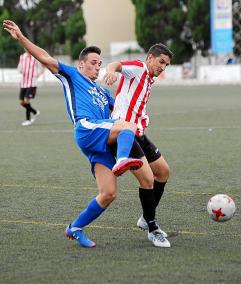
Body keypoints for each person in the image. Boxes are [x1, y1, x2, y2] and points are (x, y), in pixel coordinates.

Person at [3, 19, 143, 248]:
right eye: (94, 63)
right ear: (81, 65)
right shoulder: (72, 75)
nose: (98, 67)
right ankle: (123, 160)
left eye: (100, 63)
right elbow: (44, 57)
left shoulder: (102, 91)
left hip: (100, 139)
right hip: (87, 129)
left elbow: (120, 108)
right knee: (127, 127)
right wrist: (21, 38)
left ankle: (75, 228)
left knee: (108, 193)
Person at [104, 43, 173, 248]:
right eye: (161, 62)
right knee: (148, 179)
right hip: (123, 133)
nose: (163, 67)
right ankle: (152, 229)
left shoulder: (150, 79)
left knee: (163, 172)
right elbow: (116, 65)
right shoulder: (138, 68)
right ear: (150, 57)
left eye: (166, 65)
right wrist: (109, 72)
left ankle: (145, 217)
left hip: (138, 133)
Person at [17, 49, 43, 126]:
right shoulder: (22, 57)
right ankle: (34, 112)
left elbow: (41, 68)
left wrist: (38, 74)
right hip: (24, 83)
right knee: (22, 102)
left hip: (32, 83)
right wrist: (20, 70)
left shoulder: (35, 57)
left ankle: (28, 120)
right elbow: (19, 69)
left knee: (26, 100)